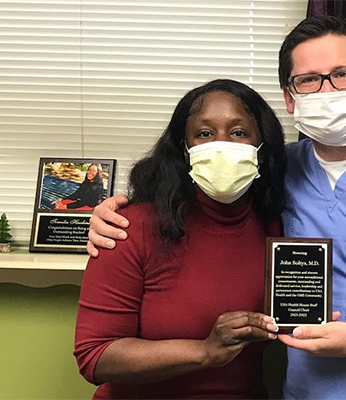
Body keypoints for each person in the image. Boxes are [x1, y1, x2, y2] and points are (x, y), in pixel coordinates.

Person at [87, 16, 346, 399]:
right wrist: (111, 211)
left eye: (343, 75)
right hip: (307, 392)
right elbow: (204, 203)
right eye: (308, 80)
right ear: (290, 98)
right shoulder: (277, 170)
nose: (327, 91)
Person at [74, 79, 285, 399]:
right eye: (204, 133)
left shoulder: (278, 228)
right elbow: (95, 356)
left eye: (239, 132)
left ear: (261, 145)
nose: (221, 144)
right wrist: (204, 352)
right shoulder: (129, 226)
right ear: (184, 149)